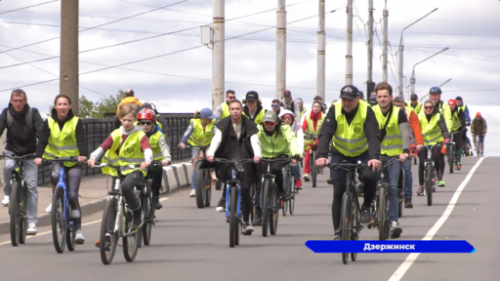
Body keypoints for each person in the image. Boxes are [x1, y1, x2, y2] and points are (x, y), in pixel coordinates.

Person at [315, 85, 381, 240]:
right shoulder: (335, 109)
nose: (346, 103)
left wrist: (374, 157)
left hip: (363, 153)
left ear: (358, 99)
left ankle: (365, 207)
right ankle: (338, 231)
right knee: (338, 192)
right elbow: (325, 133)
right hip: (341, 153)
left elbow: (373, 135)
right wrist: (322, 155)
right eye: (344, 99)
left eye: (350, 100)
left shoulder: (366, 110)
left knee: (370, 177)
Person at [88, 103, 152, 231]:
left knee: (126, 187)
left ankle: (137, 212)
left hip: (135, 169)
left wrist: (147, 160)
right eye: (124, 120)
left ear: (135, 120)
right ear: (120, 119)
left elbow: (147, 149)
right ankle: (108, 235)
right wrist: (93, 157)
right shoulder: (116, 133)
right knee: (112, 199)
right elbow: (103, 146)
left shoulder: (140, 135)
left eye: (130, 120)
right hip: (118, 169)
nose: (127, 123)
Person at [34, 94, 87, 243]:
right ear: (55, 106)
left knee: (72, 195)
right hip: (56, 159)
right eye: (60, 104)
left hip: (74, 161)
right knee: (56, 176)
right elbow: (43, 139)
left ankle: (78, 231)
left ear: (69, 106)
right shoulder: (49, 121)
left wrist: (83, 154)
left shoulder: (76, 122)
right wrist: (38, 156)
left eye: (65, 104)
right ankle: (56, 199)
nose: (62, 107)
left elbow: (80, 139)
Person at [206, 100, 261, 235]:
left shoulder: (249, 124)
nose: (235, 111)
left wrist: (257, 154)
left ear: (241, 110)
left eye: (238, 109)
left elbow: (255, 140)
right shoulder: (222, 124)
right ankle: (226, 198)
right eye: (233, 109)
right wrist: (211, 153)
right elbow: (217, 139)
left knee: (246, 189)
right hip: (228, 155)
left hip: (244, 157)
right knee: (229, 176)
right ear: (229, 111)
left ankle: (247, 221)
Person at [0, 89, 44, 235]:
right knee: (8, 166)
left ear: (25, 101)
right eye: (15, 101)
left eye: (20, 100)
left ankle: (31, 221)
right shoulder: (6, 113)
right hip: (13, 151)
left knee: (31, 186)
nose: (18, 103)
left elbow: (42, 131)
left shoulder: (33, 113)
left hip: (30, 153)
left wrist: (40, 153)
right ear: (11, 101)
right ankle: (7, 193)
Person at [372, 82, 410, 238]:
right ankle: (372, 211)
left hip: (394, 155)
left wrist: (405, 151)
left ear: (390, 97)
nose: (382, 99)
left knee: (393, 186)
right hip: (376, 155)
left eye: (385, 96)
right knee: (371, 183)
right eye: (379, 96)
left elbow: (404, 133)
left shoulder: (398, 113)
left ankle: (394, 221)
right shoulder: (371, 111)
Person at [252, 111, 301, 225]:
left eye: (271, 123)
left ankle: (280, 190)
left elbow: (292, 140)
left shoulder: (285, 129)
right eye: (266, 123)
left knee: (276, 170)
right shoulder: (258, 129)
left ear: (276, 123)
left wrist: (295, 154)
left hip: (280, 155)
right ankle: (258, 212)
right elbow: (252, 141)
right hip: (263, 156)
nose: (269, 125)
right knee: (259, 182)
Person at [392, 96, 424, 209]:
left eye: (399, 106)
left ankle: (408, 198)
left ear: (404, 105)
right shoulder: (389, 112)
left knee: (406, 171)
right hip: (392, 146)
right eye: (395, 106)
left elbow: (416, 128)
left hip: (408, 144)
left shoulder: (410, 113)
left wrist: (418, 143)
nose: (397, 108)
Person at [137, 108, 171, 209]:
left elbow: (164, 147)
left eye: (148, 123)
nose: (145, 125)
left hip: (154, 163)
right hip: (139, 163)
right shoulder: (134, 134)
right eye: (142, 123)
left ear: (153, 123)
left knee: (157, 171)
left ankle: (155, 197)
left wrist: (167, 158)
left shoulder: (158, 135)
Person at [179, 108, 217, 197]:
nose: (211, 119)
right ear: (204, 118)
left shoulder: (213, 123)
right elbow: (187, 133)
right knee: (195, 164)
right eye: (209, 118)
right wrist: (182, 142)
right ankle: (193, 188)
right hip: (196, 145)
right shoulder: (194, 123)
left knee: (209, 155)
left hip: (208, 144)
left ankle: (212, 171)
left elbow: (216, 133)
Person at [416, 100, 450, 195]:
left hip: (436, 142)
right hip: (423, 143)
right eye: (426, 107)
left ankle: (439, 173)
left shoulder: (438, 116)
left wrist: (447, 139)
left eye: (430, 107)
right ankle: (421, 186)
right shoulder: (420, 116)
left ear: (433, 108)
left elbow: (443, 128)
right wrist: (414, 143)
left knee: (436, 157)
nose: (428, 109)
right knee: (422, 162)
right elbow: (415, 129)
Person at [279, 109, 304, 189]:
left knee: (294, 164)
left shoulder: (297, 126)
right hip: (281, 150)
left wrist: (299, 153)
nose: (286, 120)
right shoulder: (278, 127)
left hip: (293, 150)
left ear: (292, 119)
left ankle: (297, 179)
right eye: (284, 118)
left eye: (289, 118)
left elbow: (300, 140)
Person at [301, 101, 325, 182]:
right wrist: (301, 134)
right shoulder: (307, 117)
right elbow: (303, 128)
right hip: (308, 139)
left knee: (320, 151)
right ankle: (306, 173)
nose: (316, 108)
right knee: (307, 154)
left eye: (318, 106)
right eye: (314, 106)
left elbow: (326, 128)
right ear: (312, 107)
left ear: (320, 108)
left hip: (319, 138)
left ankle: (319, 167)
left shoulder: (324, 117)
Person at [448, 99, 466, 170]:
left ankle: (458, 161)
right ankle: (448, 153)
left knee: (458, 145)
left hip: (457, 129)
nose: (451, 107)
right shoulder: (446, 111)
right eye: (449, 105)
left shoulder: (459, 110)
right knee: (445, 142)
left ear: (455, 105)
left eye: (452, 105)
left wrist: (463, 127)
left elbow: (462, 119)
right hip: (448, 130)